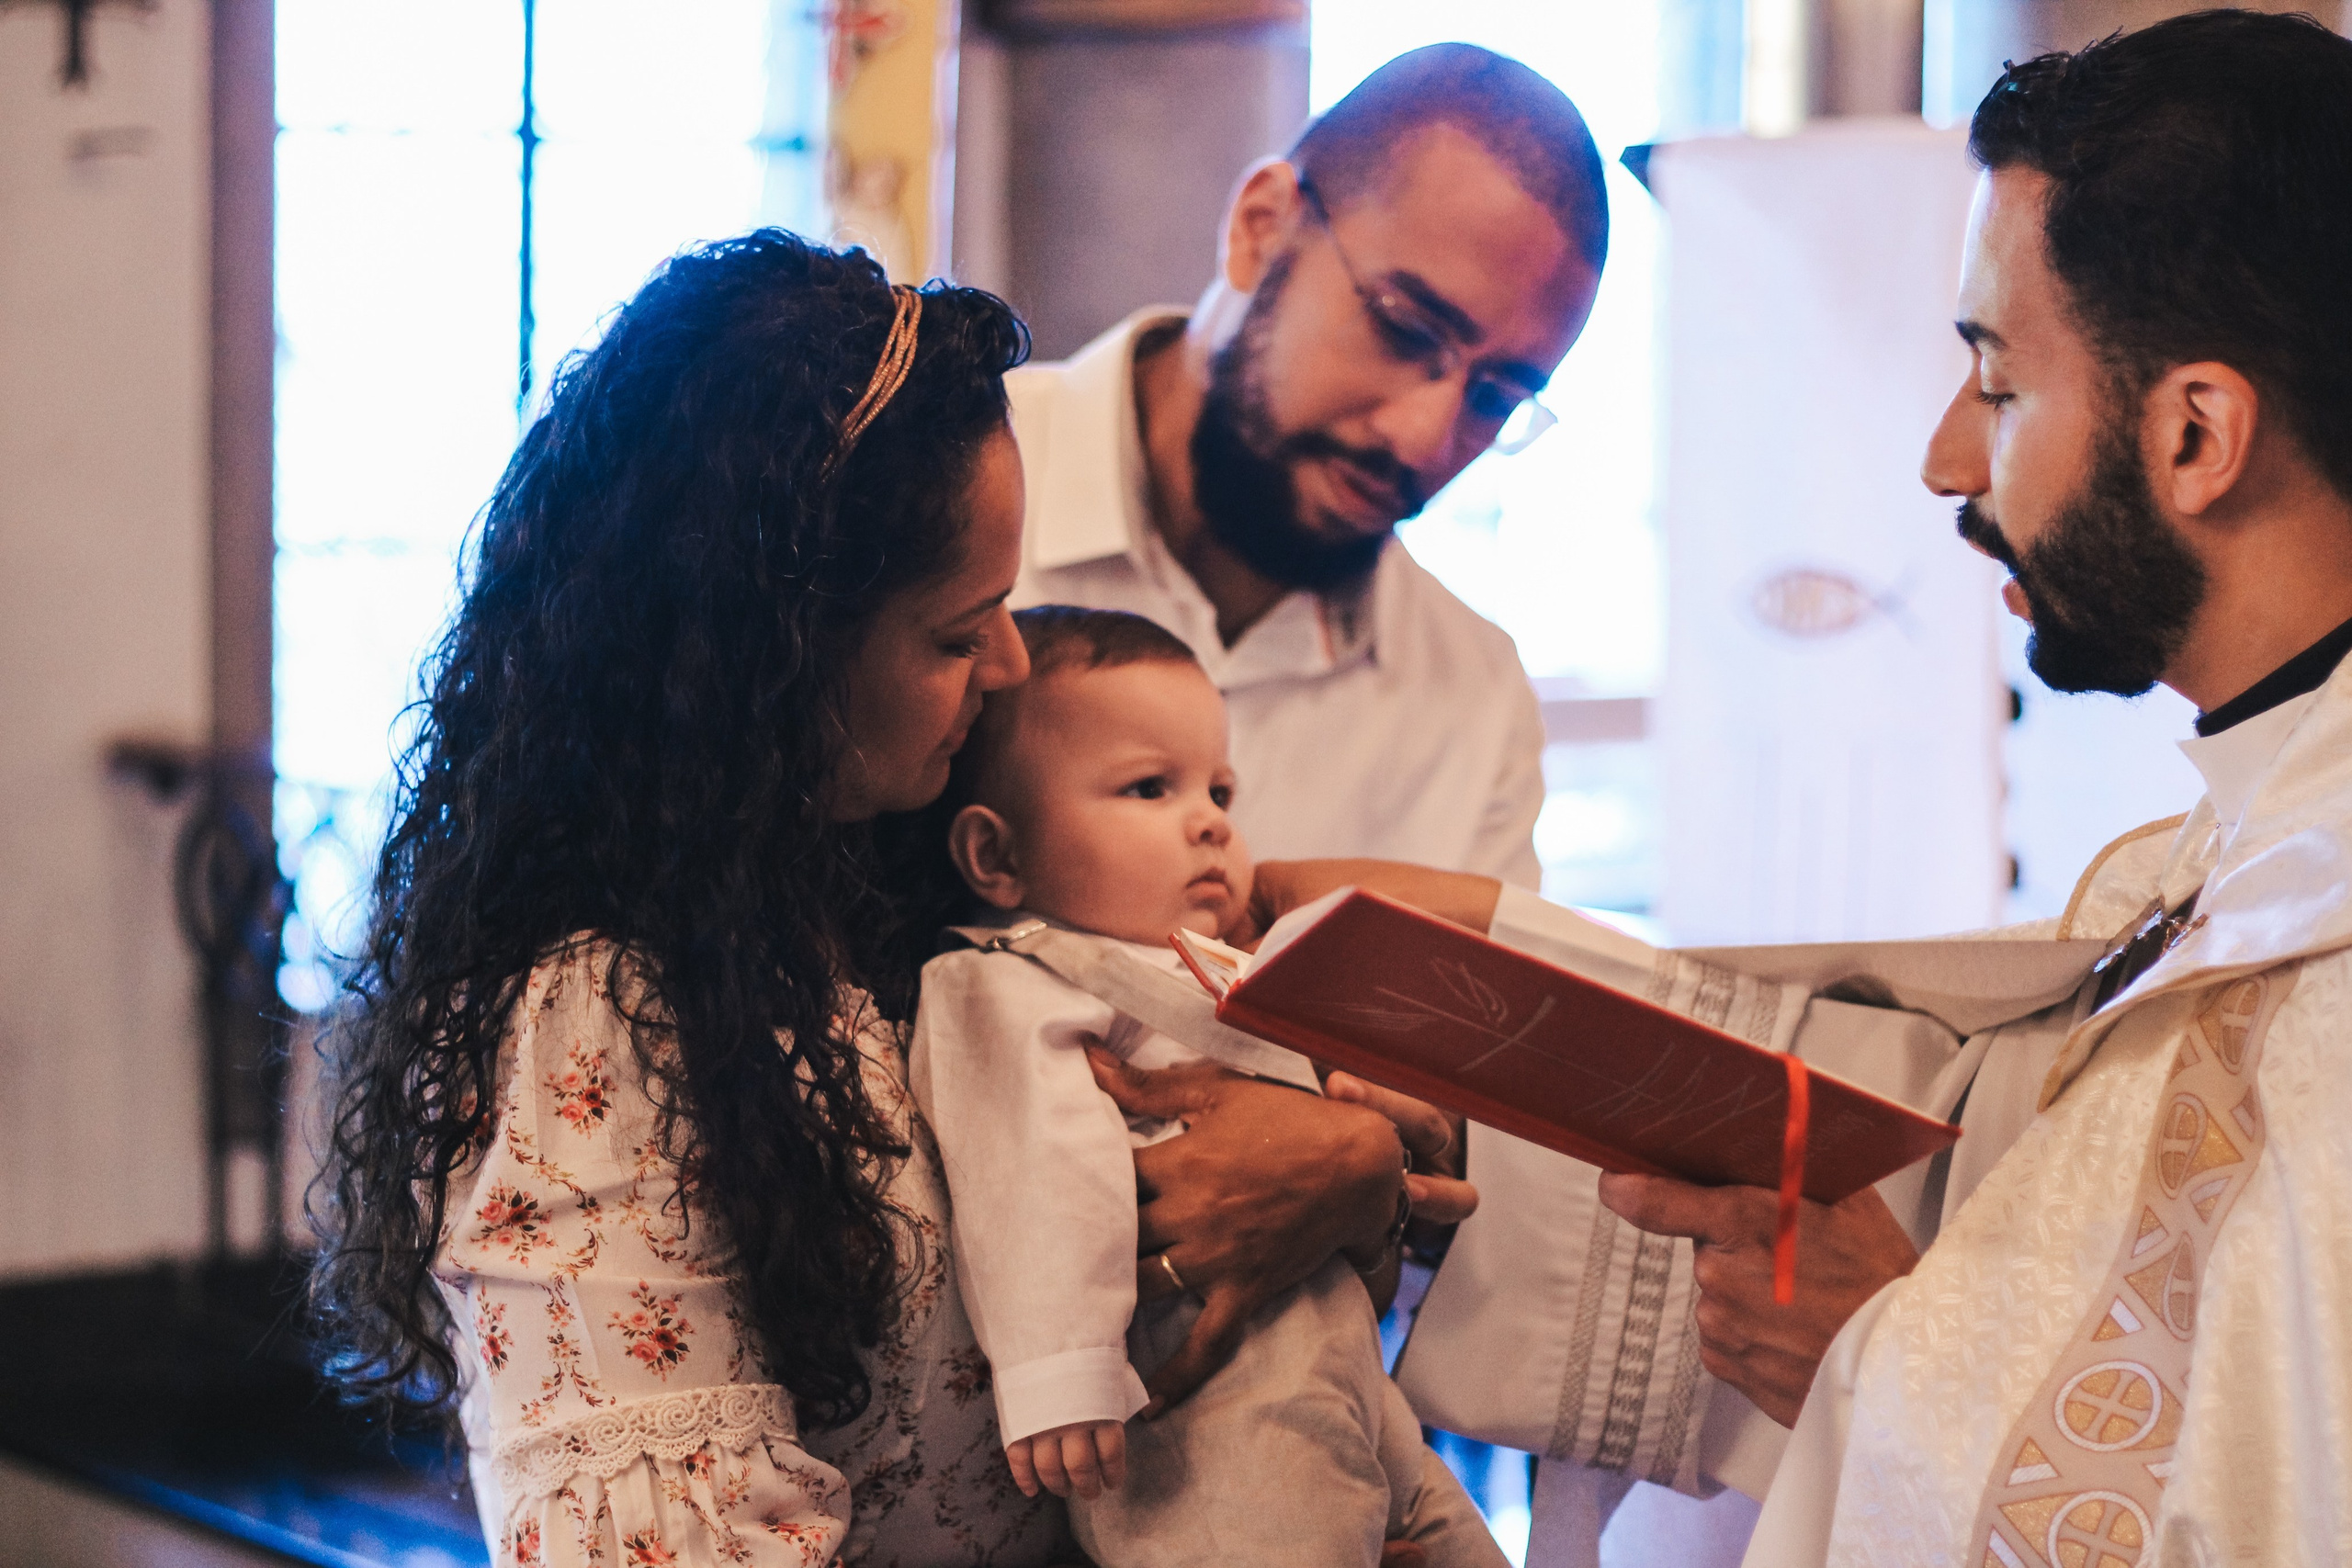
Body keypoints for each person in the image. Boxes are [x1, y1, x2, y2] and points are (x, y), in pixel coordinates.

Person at [1242, 11, 2352, 1565]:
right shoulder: (2224, 870)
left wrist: (1875, 1361)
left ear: (2195, 433)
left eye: (1997, 380)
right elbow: (1952, 1175)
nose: (1946, 460)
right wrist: (1463, 1007)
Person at [304, 231, 1449, 1568]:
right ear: (776, 655)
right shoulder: (592, 1019)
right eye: (956, 632)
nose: (1008, 663)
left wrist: (1349, 1166)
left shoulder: (884, 879)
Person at [908, 606, 1507, 1568]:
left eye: (1219, 788)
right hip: (1201, 1406)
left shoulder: (1218, 971)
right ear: (998, 857)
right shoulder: (1007, 980)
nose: (1212, 820)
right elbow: (1024, 1171)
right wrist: (1060, 1374)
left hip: (1341, 1359)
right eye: (1150, 787)